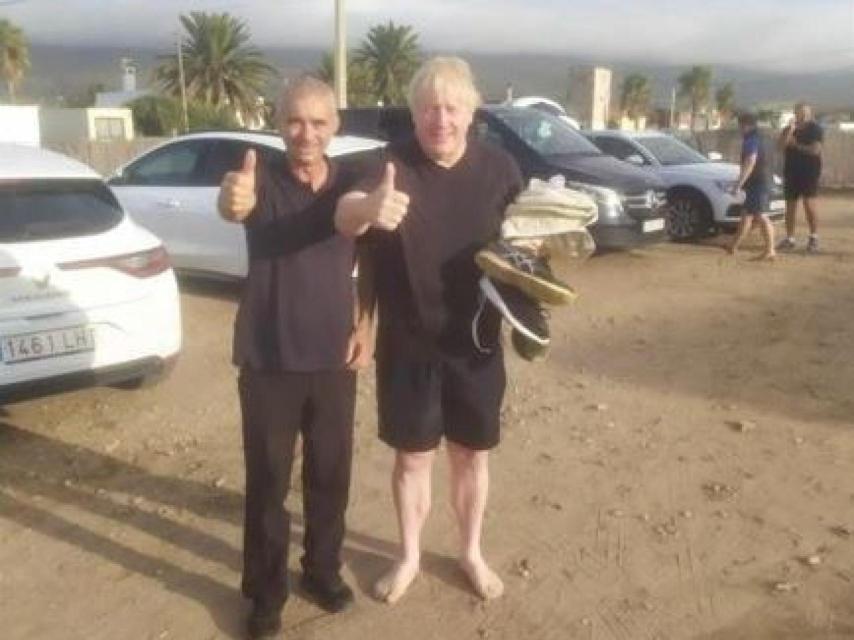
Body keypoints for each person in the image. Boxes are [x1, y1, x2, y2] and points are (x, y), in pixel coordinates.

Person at [334, 56, 523, 604]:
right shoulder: (389, 165)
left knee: (471, 454)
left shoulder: (500, 170)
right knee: (412, 457)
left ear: (471, 112)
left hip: (478, 342)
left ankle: (470, 551)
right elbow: (349, 221)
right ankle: (411, 554)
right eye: (427, 108)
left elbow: (526, 243)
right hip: (408, 343)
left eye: (450, 107)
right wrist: (369, 207)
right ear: (413, 115)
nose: (439, 118)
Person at [217, 75, 373, 639]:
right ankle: (264, 595)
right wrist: (230, 200)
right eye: (293, 121)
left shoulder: (351, 182)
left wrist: (366, 324)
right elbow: (236, 204)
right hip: (268, 359)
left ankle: (322, 571)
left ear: (336, 126)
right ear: (278, 122)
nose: (305, 133)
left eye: (318, 122)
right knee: (268, 484)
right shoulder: (261, 178)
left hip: (333, 357)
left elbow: (355, 223)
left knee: (331, 476)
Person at [727, 111, 775, 260]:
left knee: (761, 216)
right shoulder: (763, 138)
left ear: (746, 125)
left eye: (740, 126)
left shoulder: (751, 140)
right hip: (762, 180)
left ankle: (770, 250)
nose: (739, 129)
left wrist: (738, 184)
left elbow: (750, 162)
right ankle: (733, 246)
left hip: (758, 183)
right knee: (746, 215)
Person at [777, 102, 824, 253]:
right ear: (795, 113)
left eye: (805, 112)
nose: (802, 115)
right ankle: (790, 239)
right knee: (790, 206)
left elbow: (815, 150)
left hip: (809, 173)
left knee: (809, 205)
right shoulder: (789, 129)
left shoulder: (815, 129)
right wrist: (789, 131)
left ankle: (814, 238)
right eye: (799, 112)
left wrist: (796, 145)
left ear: (810, 113)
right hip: (791, 172)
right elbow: (780, 147)